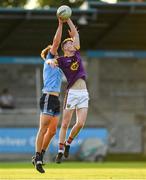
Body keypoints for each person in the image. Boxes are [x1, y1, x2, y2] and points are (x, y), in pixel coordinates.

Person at [52, 18, 89, 163]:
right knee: (65, 124)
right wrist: (50, 62)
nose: (72, 44)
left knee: (80, 124)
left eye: (72, 42)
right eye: (69, 43)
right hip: (72, 93)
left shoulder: (77, 54)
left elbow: (76, 35)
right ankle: (60, 151)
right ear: (65, 47)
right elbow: (51, 60)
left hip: (83, 93)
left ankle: (68, 143)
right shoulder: (61, 60)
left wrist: (67, 20)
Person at [32, 18, 63, 173]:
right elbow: (56, 41)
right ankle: (37, 157)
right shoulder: (49, 61)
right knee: (43, 128)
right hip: (48, 97)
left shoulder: (58, 66)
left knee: (52, 132)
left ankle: (41, 155)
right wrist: (60, 24)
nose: (57, 52)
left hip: (56, 99)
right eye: (55, 52)